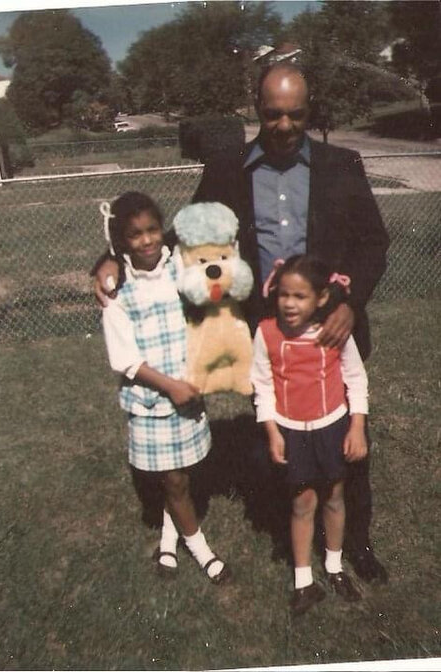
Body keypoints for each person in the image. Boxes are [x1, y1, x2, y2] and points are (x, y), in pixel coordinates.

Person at [93, 63, 389, 583]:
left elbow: (372, 244)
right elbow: (186, 239)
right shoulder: (228, 168)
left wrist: (350, 302)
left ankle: (355, 544)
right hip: (266, 339)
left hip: (331, 332)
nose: (284, 124)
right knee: (278, 439)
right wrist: (112, 258)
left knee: (345, 442)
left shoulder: (342, 164)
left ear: (308, 109)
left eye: (296, 113)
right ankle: (289, 536)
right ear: (257, 109)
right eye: (273, 114)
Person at [101, 190, 230, 584]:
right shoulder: (117, 287)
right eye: (136, 234)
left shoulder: (178, 268)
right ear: (122, 241)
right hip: (152, 398)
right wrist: (169, 386)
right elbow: (124, 358)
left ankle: (169, 537)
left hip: (186, 390)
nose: (147, 240)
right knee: (171, 479)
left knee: (182, 474)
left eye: (153, 230)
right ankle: (201, 549)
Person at [251, 254, 367, 616]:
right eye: (284, 294)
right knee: (303, 503)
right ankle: (303, 581)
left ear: (320, 298)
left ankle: (334, 567)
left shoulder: (334, 332)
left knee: (334, 497)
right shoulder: (266, 332)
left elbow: (356, 378)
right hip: (291, 431)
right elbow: (262, 386)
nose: (289, 303)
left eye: (299, 297)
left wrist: (357, 427)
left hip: (331, 426)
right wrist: (272, 431)